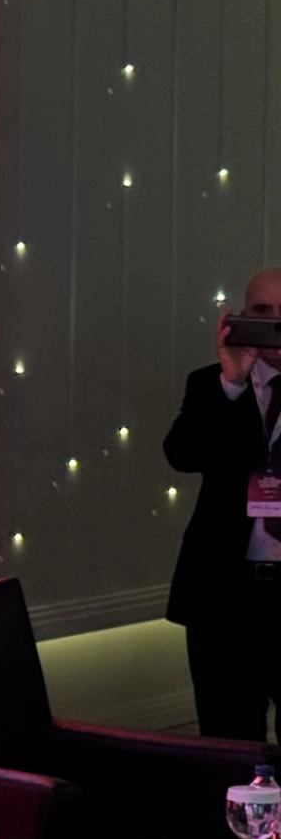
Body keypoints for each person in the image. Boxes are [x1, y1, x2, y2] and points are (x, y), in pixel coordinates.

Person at [164, 268, 281, 742]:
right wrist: (232, 382)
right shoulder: (211, 383)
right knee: (228, 743)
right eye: (262, 312)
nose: (275, 323)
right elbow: (182, 454)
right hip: (225, 598)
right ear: (240, 316)